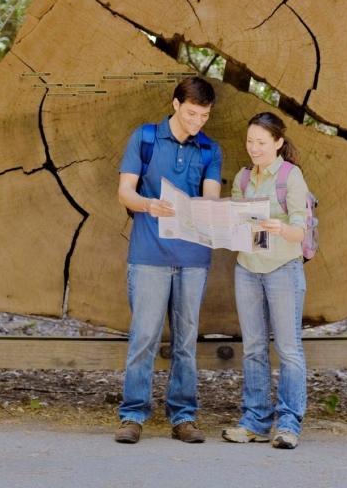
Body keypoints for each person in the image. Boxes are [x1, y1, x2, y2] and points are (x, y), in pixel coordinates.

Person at [113, 76, 223, 444]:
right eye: (192, 113)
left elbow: (209, 198)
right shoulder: (144, 138)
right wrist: (148, 205)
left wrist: (213, 212)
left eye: (204, 116)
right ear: (175, 104)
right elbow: (125, 192)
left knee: (186, 340)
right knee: (143, 337)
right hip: (148, 255)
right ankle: (132, 415)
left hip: (194, 258)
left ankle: (184, 416)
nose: (197, 122)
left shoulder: (210, 150)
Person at [222, 111, 309, 450]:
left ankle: (288, 423)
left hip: (283, 268)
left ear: (278, 143)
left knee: (288, 349)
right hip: (247, 268)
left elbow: (300, 230)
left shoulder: (291, 177)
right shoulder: (243, 179)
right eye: (250, 142)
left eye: (261, 142)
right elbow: (234, 224)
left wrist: (279, 228)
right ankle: (255, 420)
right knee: (254, 348)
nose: (254, 148)